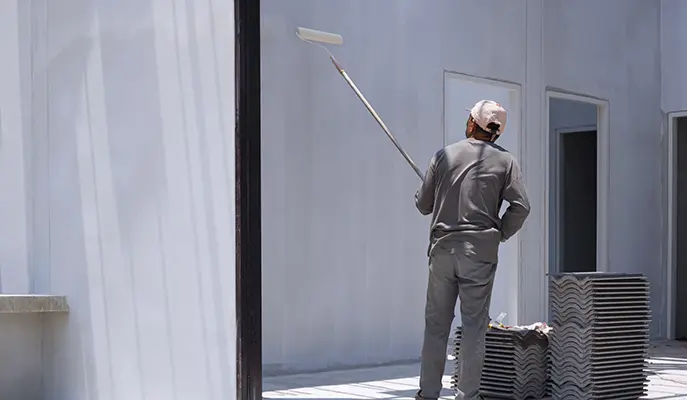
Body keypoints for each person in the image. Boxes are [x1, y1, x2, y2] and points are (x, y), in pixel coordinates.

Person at [414, 100, 531, 400]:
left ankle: (427, 394)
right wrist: (499, 234)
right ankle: (467, 396)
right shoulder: (506, 162)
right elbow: (521, 207)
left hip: (442, 252)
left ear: (471, 123)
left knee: (436, 326)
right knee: (474, 327)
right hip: (479, 255)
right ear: (496, 133)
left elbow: (423, 205)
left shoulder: (443, 157)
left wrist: (430, 190)